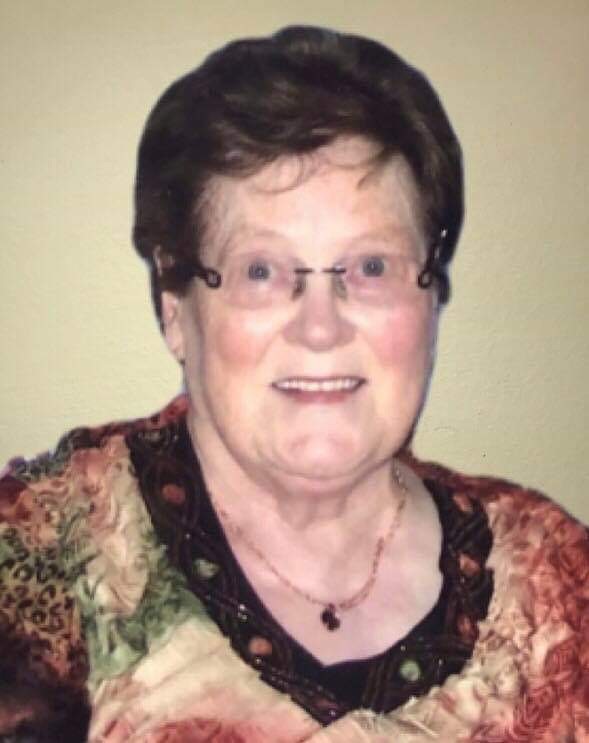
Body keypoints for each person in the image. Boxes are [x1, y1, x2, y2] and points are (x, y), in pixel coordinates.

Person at [0, 24, 587, 743]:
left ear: (432, 295)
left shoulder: (553, 583)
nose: (321, 327)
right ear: (175, 308)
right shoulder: (48, 556)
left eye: (370, 267)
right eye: (261, 271)